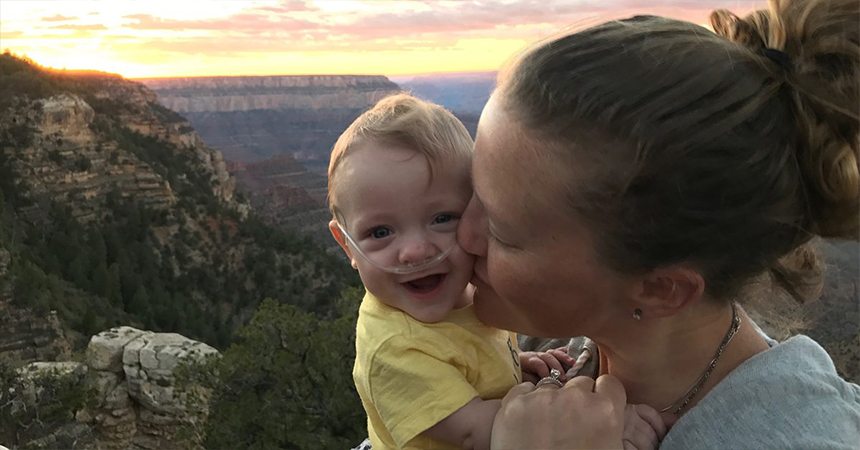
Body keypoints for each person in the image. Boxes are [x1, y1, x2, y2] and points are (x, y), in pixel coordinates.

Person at [455, 0, 860, 448]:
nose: (460, 235)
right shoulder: (550, 350)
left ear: (661, 289)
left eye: (501, 232)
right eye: (466, 190)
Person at [328, 93, 666, 449]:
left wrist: (514, 363)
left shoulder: (466, 295)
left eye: (442, 218)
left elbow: (463, 358)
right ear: (346, 245)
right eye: (380, 232)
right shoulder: (395, 348)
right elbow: (479, 431)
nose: (415, 251)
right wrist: (604, 421)